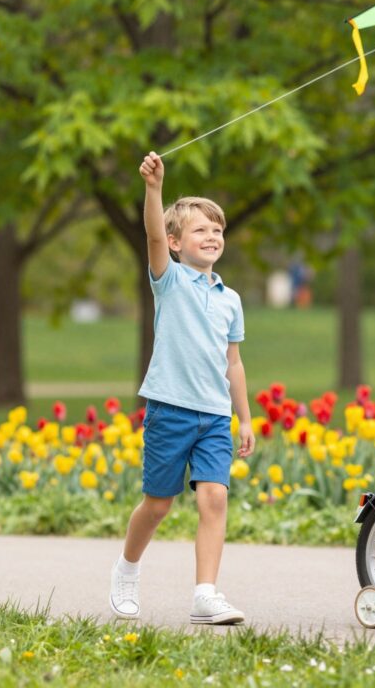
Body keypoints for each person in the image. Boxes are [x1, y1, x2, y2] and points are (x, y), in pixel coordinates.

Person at [110, 152, 255, 625]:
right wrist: (154, 189)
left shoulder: (231, 300)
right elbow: (152, 234)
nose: (212, 236)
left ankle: (205, 595)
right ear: (175, 244)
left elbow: (234, 363)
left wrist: (245, 418)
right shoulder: (168, 281)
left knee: (214, 497)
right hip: (170, 410)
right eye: (200, 230)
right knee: (158, 504)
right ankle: (127, 569)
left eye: (218, 229)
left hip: (213, 415)